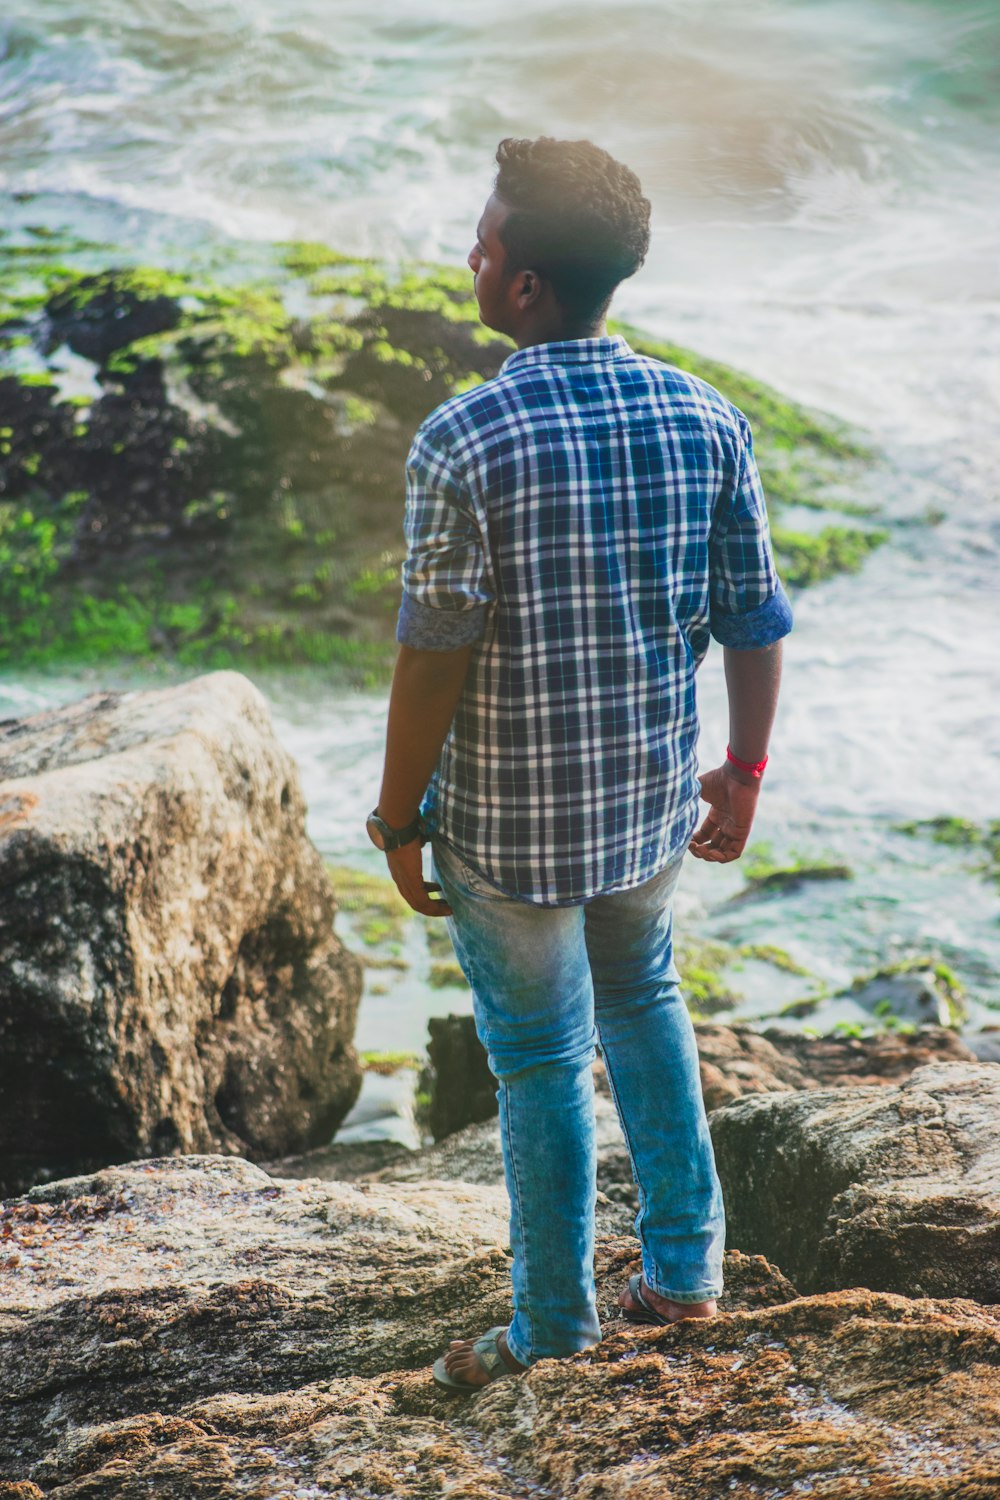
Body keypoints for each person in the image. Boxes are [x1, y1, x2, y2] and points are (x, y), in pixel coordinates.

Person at [366, 136, 792, 1394]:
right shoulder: (702, 414)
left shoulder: (463, 438)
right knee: (647, 996)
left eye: (485, 243)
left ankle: (551, 1326)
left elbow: (429, 656)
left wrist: (397, 821)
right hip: (648, 805)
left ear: (525, 289)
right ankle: (684, 1275)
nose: (470, 254)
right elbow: (754, 620)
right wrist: (744, 775)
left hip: (506, 830)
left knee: (542, 1062)